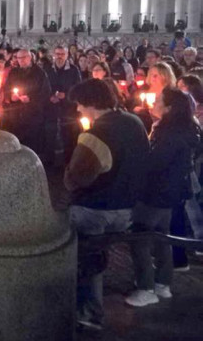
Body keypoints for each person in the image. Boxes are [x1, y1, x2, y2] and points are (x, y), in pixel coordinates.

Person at [65, 79, 150, 330]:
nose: (78, 110)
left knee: (86, 259)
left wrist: (78, 151)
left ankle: (89, 313)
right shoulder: (134, 122)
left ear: (91, 103)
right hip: (128, 207)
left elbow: (75, 179)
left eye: (80, 104)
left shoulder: (95, 135)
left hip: (97, 210)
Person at [126, 87, 200, 307]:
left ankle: (146, 288)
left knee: (140, 238)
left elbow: (154, 164)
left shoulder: (169, 135)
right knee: (161, 237)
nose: (153, 102)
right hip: (171, 193)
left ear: (169, 108)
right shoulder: (182, 129)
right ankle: (163, 284)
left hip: (155, 193)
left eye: (158, 100)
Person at [3, 48, 52, 159]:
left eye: (23, 57)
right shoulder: (13, 72)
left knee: (32, 147)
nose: (21, 60)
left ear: (30, 57)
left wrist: (30, 99)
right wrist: (11, 97)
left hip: (33, 117)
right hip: (16, 116)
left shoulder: (39, 73)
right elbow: (6, 89)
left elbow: (46, 93)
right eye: (18, 58)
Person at [46, 46, 83, 165]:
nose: (59, 56)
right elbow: (44, 87)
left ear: (67, 55)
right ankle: (50, 162)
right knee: (50, 134)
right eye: (57, 54)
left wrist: (66, 95)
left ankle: (68, 162)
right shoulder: (48, 69)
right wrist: (50, 96)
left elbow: (77, 87)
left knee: (68, 135)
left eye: (62, 54)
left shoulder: (73, 70)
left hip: (68, 109)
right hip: (51, 108)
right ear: (53, 55)